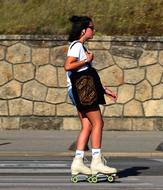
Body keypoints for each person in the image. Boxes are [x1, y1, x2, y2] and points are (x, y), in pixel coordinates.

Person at [64, 15, 117, 177]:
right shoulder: (77, 46)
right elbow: (68, 66)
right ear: (83, 30)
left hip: (79, 90)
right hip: (82, 90)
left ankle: (78, 163)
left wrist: (103, 89)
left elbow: (87, 72)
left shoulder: (80, 47)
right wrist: (86, 60)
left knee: (87, 126)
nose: (94, 30)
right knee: (98, 123)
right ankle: (97, 162)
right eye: (92, 28)